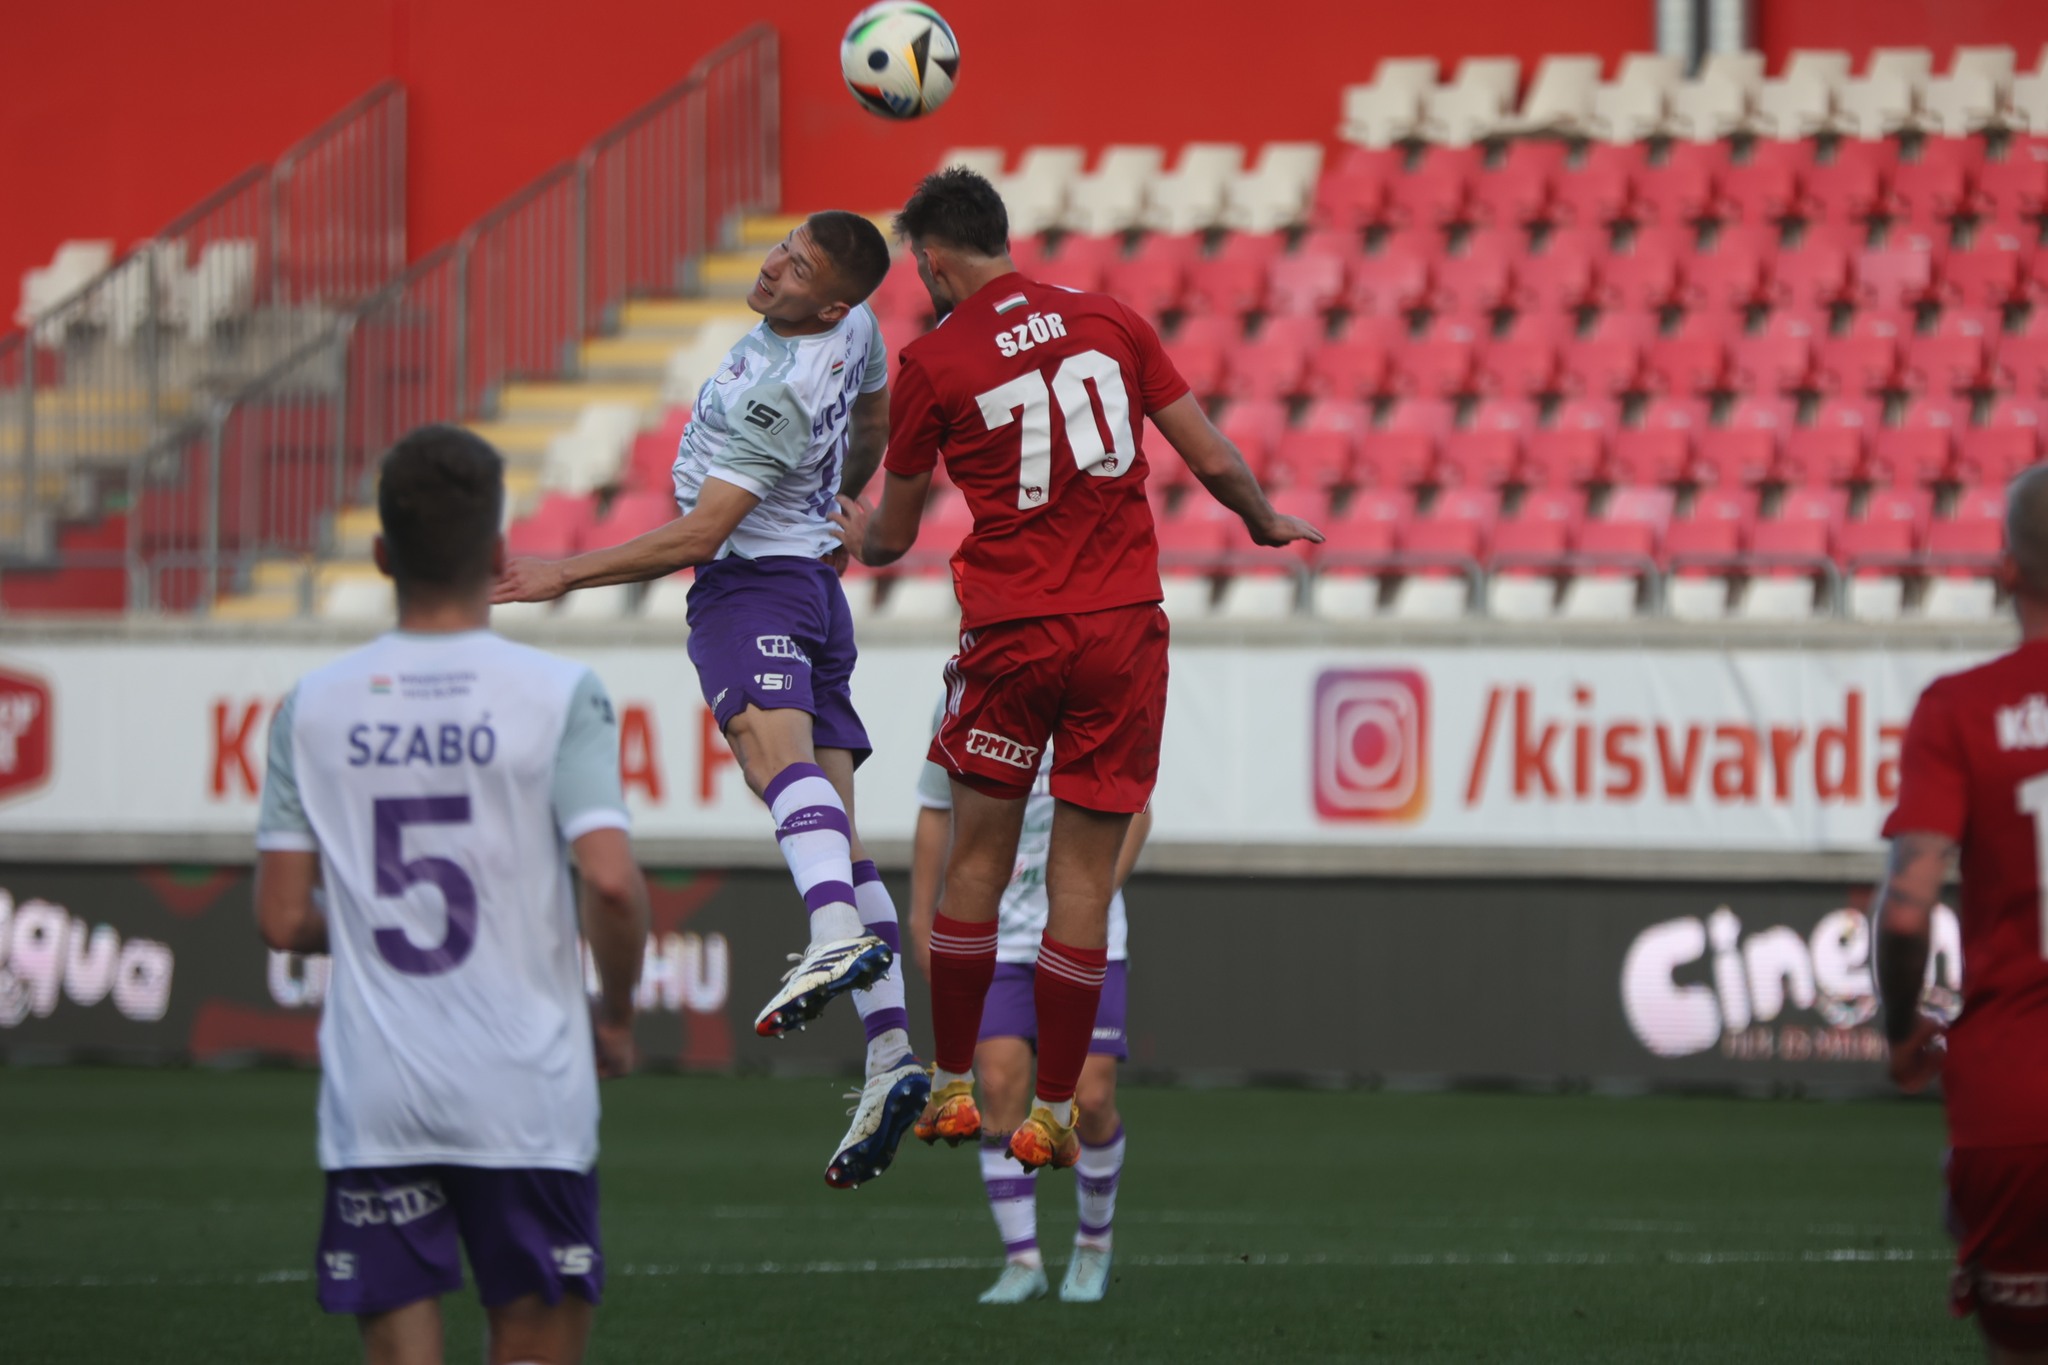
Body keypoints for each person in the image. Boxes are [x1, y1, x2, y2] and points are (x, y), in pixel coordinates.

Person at [833, 167, 1320, 1172]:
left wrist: (858, 537)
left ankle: (960, 1088)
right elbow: (1214, 461)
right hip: (1121, 633)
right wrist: (1264, 520)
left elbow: (891, 532)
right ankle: (1052, 1109)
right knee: (1083, 882)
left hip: (1014, 633)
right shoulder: (1111, 318)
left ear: (928, 258)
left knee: (976, 863)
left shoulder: (930, 361)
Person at [495, 212, 929, 1188]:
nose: (772, 266)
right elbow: (871, 421)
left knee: (768, 760)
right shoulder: (855, 330)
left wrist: (562, 575)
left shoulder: (775, 391)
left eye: (797, 268)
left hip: (753, 586)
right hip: (813, 587)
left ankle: (828, 942)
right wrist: (840, 499)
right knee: (835, 838)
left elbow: (700, 537)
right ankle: (890, 1055)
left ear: (829, 302)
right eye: (780, 248)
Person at [254, 425, 650, 1365]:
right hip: (527, 1088)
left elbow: (279, 919)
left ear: (384, 554)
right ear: (502, 554)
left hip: (379, 1092)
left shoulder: (311, 705)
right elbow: (610, 883)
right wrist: (618, 1015)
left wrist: (369, 917)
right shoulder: (557, 691)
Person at [1875, 463, 2048, 1364]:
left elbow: (1907, 912)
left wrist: (1903, 1030)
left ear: (2006, 572)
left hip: (2016, 1100)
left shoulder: (1960, 710)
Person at [909, 705, 1147, 1304]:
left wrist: (1089, 899)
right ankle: (1024, 1260)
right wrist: (920, 918)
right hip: (1000, 938)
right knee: (998, 1084)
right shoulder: (971, 693)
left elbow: (1137, 812)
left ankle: (1093, 1246)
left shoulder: (1095, 692)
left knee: (1090, 1098)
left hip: (1087, 937)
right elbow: (936, 811)